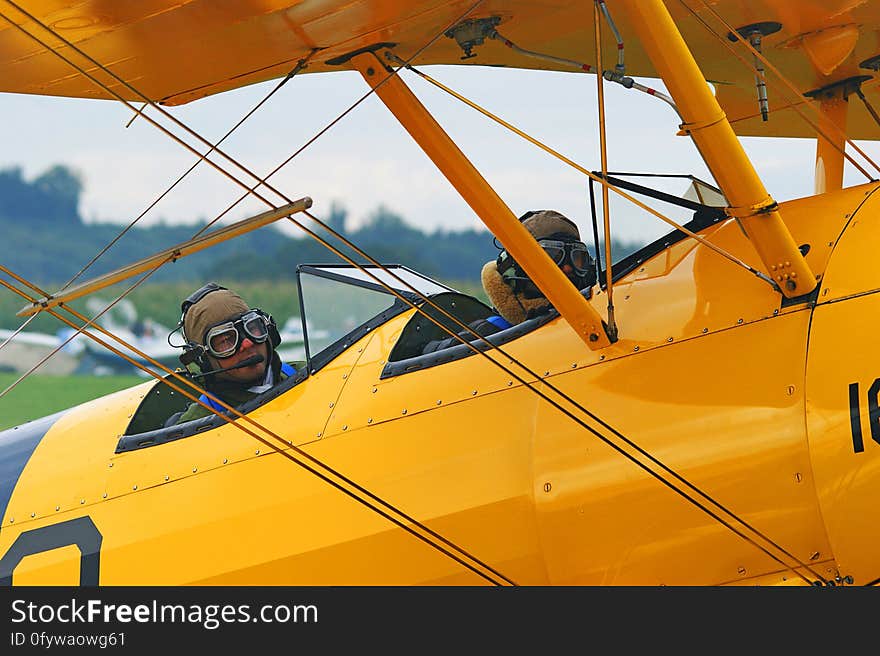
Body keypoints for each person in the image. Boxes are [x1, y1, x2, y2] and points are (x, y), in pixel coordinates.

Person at [422, 209, 596, 353]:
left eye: (577, 258)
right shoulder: (484, 337)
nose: (567, 268)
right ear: (516, 267)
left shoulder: (595, 324)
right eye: (552, 257)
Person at [169, 283, 296, 425]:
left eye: (252, 327)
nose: (247, 344)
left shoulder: (309, 374)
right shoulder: (195, 427)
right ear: (203, 360)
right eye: (225, 340)